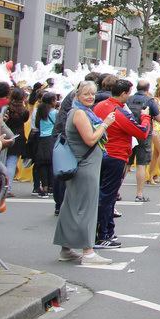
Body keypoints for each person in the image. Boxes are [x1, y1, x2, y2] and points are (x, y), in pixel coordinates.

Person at [53, 81, 117, 265]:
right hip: (86, 166)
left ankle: (66, 249)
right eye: (86, 94)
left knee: (72, 207)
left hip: (84, 164)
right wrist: (105, 124)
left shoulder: (79, 112)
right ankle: (88, 253)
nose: (90, 97)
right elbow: (90, 139)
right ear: (77, 95)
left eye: (93, 94)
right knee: (87, 209)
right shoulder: (80, 113)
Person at [93, 78, 150, 249]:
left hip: (100, 153)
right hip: (115, 156)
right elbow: (141, 133)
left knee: (102, 194)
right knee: (108, 197)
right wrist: (145, 117)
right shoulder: (118, 112)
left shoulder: (100, 106)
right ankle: (102, 234)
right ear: (124, 93)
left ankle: (105, 231)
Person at [127, 79, 160, 202]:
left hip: (130, 132)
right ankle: (139, 194)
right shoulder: (149, 101)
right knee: (141, 164)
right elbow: (159, 118)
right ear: (148, 89)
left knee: (126, 163)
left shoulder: (129, 99)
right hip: (145, 133)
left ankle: (117, 192)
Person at [31, 91, 58, 197]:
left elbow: (36, 125)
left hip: (41, 139)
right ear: (52, 101)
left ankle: (44, 187)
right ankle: (51, 186)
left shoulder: (39, 111)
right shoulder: (55, 112)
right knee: (51, 164)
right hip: (51, 139)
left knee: (42, 164)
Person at [3, 87, 30, 192]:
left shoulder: (6, 108)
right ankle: (7, 189)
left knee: (2, 162)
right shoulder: (24, 111)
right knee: (11, 164)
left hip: (4, 136)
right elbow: (26, 119)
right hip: (18, 139)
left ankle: (1, 186)